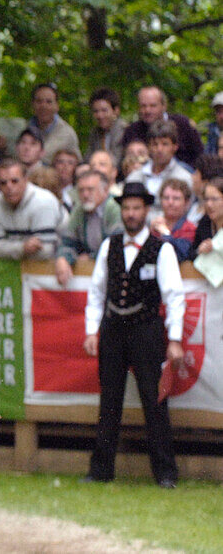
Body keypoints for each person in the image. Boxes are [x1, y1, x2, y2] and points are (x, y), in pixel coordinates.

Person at [82, 181, 184, 488]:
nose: (131, 213)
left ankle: (165, 473)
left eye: (136, 208)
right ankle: (101, 470)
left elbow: (174, 295)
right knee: (109, 400)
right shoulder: (109, 246)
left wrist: (175, 338)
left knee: (154, 402)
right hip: (113, 329)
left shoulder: (162, 248)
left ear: (146, 210)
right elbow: (97, 291)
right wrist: (91, 330)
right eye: (126, 207)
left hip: (147, 330)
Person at [54, 170, 121, 285]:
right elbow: (68, 242)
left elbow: (116, 245)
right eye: (81, 190)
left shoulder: (114, 207)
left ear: (105, 190)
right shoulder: (79, 210)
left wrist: (91, 257)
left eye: (90, 189)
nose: (85, 195)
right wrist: (63, 258)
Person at [0, 159, 60, 260]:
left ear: (26, 180)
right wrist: (22, 248)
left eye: (14, 181)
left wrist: (10, 249)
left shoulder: (43, 201)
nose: (9, 187)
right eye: (3, 183)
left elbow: (46, 251)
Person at [121, 86, 202, 167]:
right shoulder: (132, 131)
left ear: (164, 106)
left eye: (153, 106)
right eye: (143, 106)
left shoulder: (182, 124)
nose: (147, 110)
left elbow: (199, 154)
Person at [125, 120, 193, 203]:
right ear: (149, 147)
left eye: (165, 144)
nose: (159, 149)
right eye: (155, 144)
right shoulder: (135, 177)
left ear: (175, 147)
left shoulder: (184, 179)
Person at [149, 178, 197, 262]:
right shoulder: (154, 226)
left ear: (186, 202)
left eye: (176, 198)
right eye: (166, 198)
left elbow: (181, 255)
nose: (170, 202)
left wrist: (165, 233)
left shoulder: (190, 228)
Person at [28, 83, 81, 159]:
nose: (43, 106)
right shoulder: (24, 130)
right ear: (33, 104)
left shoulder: (67, 134)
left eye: (49, 102)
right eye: (39, 101)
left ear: (57, 106)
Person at [87, 88, 126, 166]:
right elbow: (87, 158)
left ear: (116, 111)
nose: (100, 115)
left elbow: (117, 161)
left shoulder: (124, 130)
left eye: (104, 110)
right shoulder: (95, 133)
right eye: (96, 111)